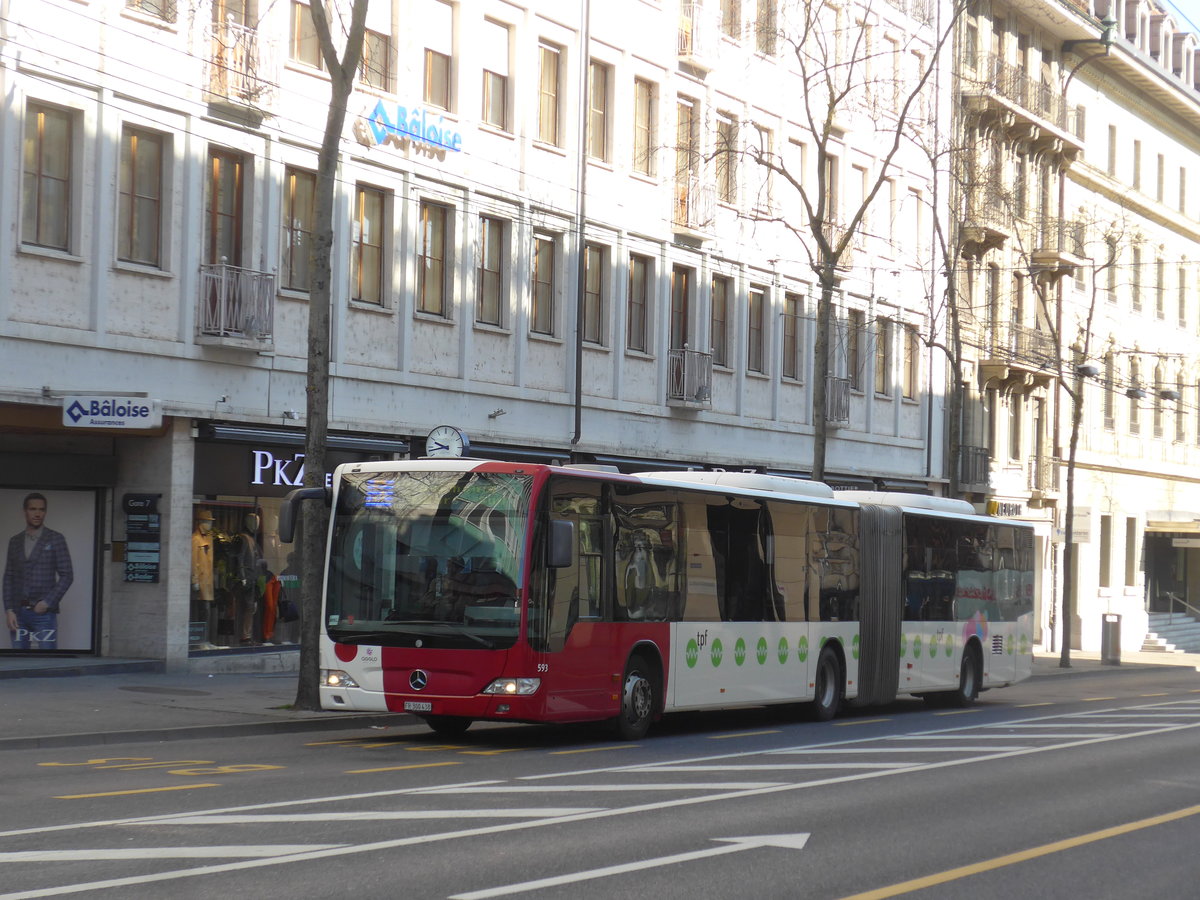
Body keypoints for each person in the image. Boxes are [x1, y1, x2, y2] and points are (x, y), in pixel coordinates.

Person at [4, 492, 74, 650]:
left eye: (41, 510)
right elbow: (8, 577)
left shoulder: (56, 539)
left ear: (45, 512)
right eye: (33, 509)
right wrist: (9, 609)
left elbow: (67, 575)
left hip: (44, 614)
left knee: (47, 661)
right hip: (18, 612)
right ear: (25, 511)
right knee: (18, 662)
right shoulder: (15, 541)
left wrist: (48, 602)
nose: (37, 513)